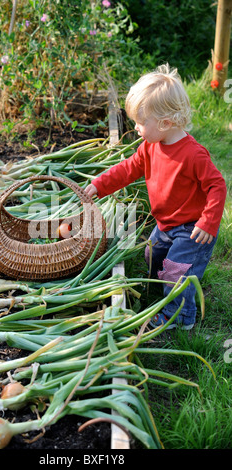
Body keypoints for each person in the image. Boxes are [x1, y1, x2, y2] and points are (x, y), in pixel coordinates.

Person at [85, 64, 227, 330]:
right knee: (153, 255)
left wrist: (208, 222)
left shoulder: (193, 155)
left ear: (165, 122)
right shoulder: (150, 146)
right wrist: (100, 184)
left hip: (192, 229)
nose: (137, 128)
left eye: (141, 122)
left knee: (177, 271)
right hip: (165, 224)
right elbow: (128, 169)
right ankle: (159, 289)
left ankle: (180, 317)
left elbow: (217, 186)